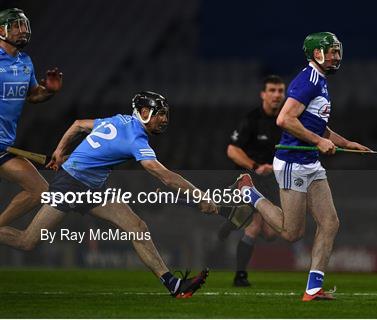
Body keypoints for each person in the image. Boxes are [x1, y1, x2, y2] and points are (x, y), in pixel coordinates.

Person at [0, 91, 217, 298]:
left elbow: (78, 125)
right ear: (144, 112)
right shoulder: (136, 139)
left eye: (165, 114)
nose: (164, 119)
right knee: (27, 241)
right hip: (70, 186)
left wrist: (59, 151)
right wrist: (200, 196)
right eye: (159, 113)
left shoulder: (119, 120)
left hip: (93, 188)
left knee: (137, 227)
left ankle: (173, 284)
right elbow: (165, 176)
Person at [230, 32, 371, 301]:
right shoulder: (308, 80)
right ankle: (250, 194)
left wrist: (347, 142)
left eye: (337, 51)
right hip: (293, 161)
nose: (336, 56)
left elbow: (318, 124)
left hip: (310, 162)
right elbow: (285, 119)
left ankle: (313, 288)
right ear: (316, 53)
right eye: (331, 51)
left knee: (330, 223)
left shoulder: (321, 82)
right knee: (292, 233)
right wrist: (318, 141)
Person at [0, 8, 63, 227]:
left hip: (4, 147)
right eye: (16, 26)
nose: (22, 30)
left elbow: (32, 96)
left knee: (40, 191)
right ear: (1, 30)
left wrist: (48, 91)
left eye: (24, 25)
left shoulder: (25, 62)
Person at [220, 75, 285, 286]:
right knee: (255, 225)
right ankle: (240, 276)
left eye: (280, 91)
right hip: (248, 177)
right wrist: (256, 166)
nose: (276, 95)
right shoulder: (252, 119)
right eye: (272, 90)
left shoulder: (286, 121)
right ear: (263, 94)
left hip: (272, 180)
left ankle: (234, 217)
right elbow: (232, 149)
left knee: (272, 233)